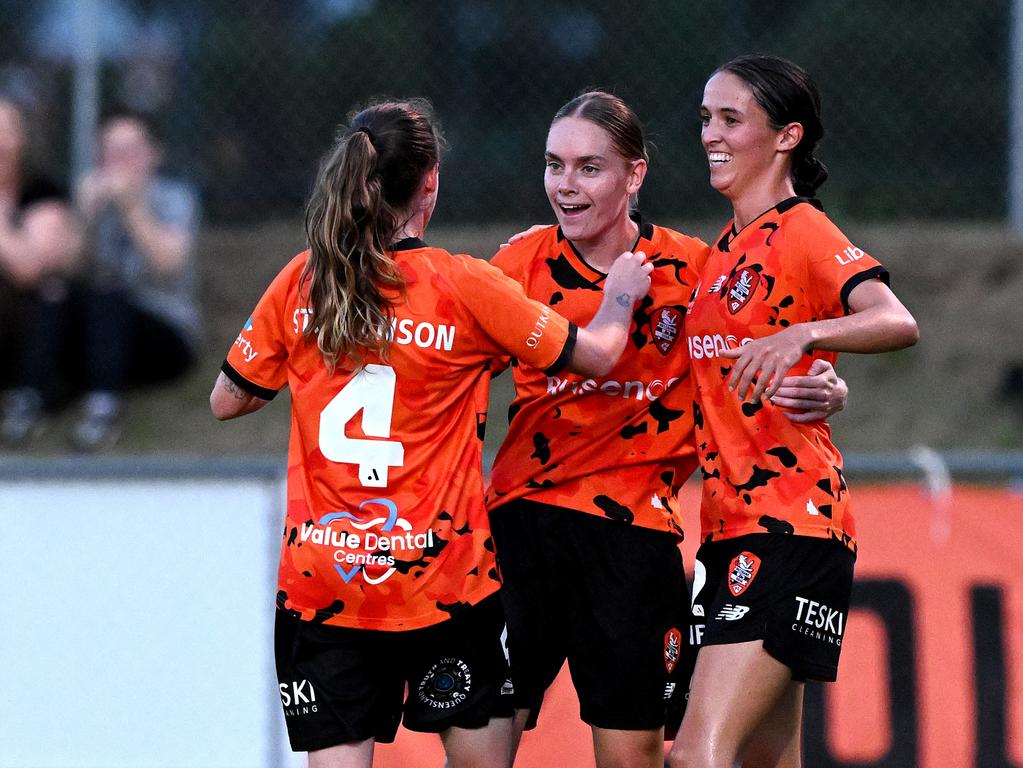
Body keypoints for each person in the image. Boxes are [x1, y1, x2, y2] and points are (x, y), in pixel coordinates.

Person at [209, 98, 655, 768]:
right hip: (441, 583)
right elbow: (597, 353)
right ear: (431, 183)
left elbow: (226, 401)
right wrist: (620, 292)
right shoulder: (463, 285)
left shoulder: (305, 281)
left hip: (325, 586)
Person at [486, 92, 849, 768]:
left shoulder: (696, 271)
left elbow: (766, 350)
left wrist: (830, 383)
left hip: (635, 541)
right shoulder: (515, 268)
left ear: (634, 176)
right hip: (522, 529)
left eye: (589, 168)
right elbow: (443, 369)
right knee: (481, 753)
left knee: (637, 758)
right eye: (554, 165)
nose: (566, 185)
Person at [667, 56, 919, 768]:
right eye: (706, 119)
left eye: (731, 119)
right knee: (767, 762)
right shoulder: (719, 254)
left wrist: (808, 333)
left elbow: (895, 320)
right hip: (725, 529)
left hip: (790, 525)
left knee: (694, 754)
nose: (711, 135)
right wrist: (824, 382)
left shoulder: (802, 229)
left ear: (786, 137)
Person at [72, 110, 200, 450]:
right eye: (111, 152)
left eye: (130, 151)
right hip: (104, 328)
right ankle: (28, 400)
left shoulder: (176, 198)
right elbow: (69, 270)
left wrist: (132, 206)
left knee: (108, 292)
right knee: (57, 295)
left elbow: (167, 265)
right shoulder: (93, 198)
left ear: (154, 154)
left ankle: (102, 410)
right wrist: (84, 218)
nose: (120, 162)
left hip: (165, 330)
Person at [0, 96, 82, 447]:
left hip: (25, 323)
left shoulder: (41, 191)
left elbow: (30, 268)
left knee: (52, 291)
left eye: (5, 128)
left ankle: (28, 401)